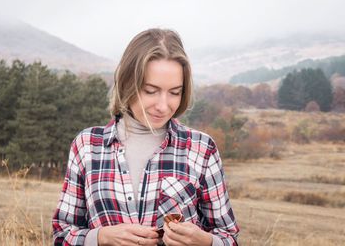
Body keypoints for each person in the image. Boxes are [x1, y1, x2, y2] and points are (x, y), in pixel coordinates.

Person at [52, 28, 239, 246]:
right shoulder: (87, 145)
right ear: (127, 83)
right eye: (150, 91)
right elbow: (62, 235)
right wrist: (99, 238)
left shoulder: (201, 148)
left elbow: (229, 238)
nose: (163, 105)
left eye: (175, 92)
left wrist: (206, 242)